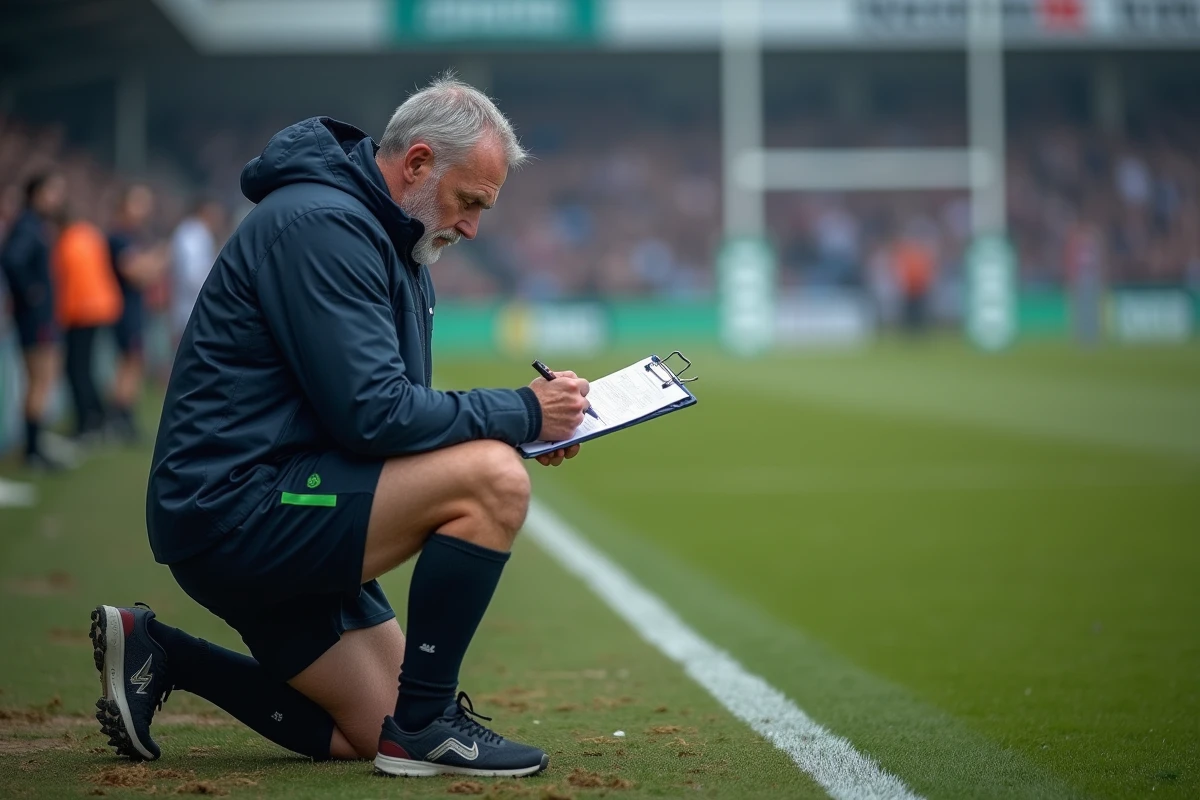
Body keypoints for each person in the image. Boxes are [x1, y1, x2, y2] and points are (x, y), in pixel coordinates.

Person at [89, 75, 588, 777]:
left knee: (365, 729)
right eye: (469, 201)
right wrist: (522, 414)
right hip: (239, 507)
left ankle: (162, 652)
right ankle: (429, 725)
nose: (473, 226)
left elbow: (390, 412)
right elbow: (376, 415)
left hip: (287, 490)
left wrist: (527, 426)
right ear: (416, 163)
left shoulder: (393, 235)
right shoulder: (323, 225)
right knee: (492, 481)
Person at [0, 172, 68, 469]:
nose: (57, 198)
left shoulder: (35, 224)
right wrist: (31, 292)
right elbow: (12, 260)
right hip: (35, 317)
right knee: (40, 379)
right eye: (53, 191)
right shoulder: (29, 225)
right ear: (37, 193)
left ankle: (35, 445)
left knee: (42, 379)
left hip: (38, 315)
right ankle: (32, 450)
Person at [53, 215, 123, 440]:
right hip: (99, 307)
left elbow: (65, 279)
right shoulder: (89, 234)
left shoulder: (68, 241)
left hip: (80, 310)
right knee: (84, 368)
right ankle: (97, 417)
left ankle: (88, 422)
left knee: (77, 369)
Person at [107, 184, 167, 443]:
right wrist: (158, 259)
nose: (144, 209)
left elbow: (147, 272)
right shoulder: (118, 236)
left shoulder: (134, 236)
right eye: (138, 202)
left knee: (133, 363)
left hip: (134, 308)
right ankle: (119, 420)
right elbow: (138, 274)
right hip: (124, 309)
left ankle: (124, 418)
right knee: (128, 363)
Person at [168, 197, 224, 344]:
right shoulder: (192, 235)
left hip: (193, 306)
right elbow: (192, 275)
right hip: (191, 307)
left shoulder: (198, 233)